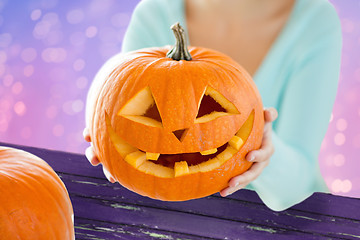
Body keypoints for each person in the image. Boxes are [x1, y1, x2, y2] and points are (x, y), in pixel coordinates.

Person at [84, 0, 342, 211]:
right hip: (174, 220)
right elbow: (121, 106)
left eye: (210, 111)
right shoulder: (154, 13)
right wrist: (105, 139)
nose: (181, 134)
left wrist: (264, 153)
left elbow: (298, 188)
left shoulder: (315, 21)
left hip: (294, 225)